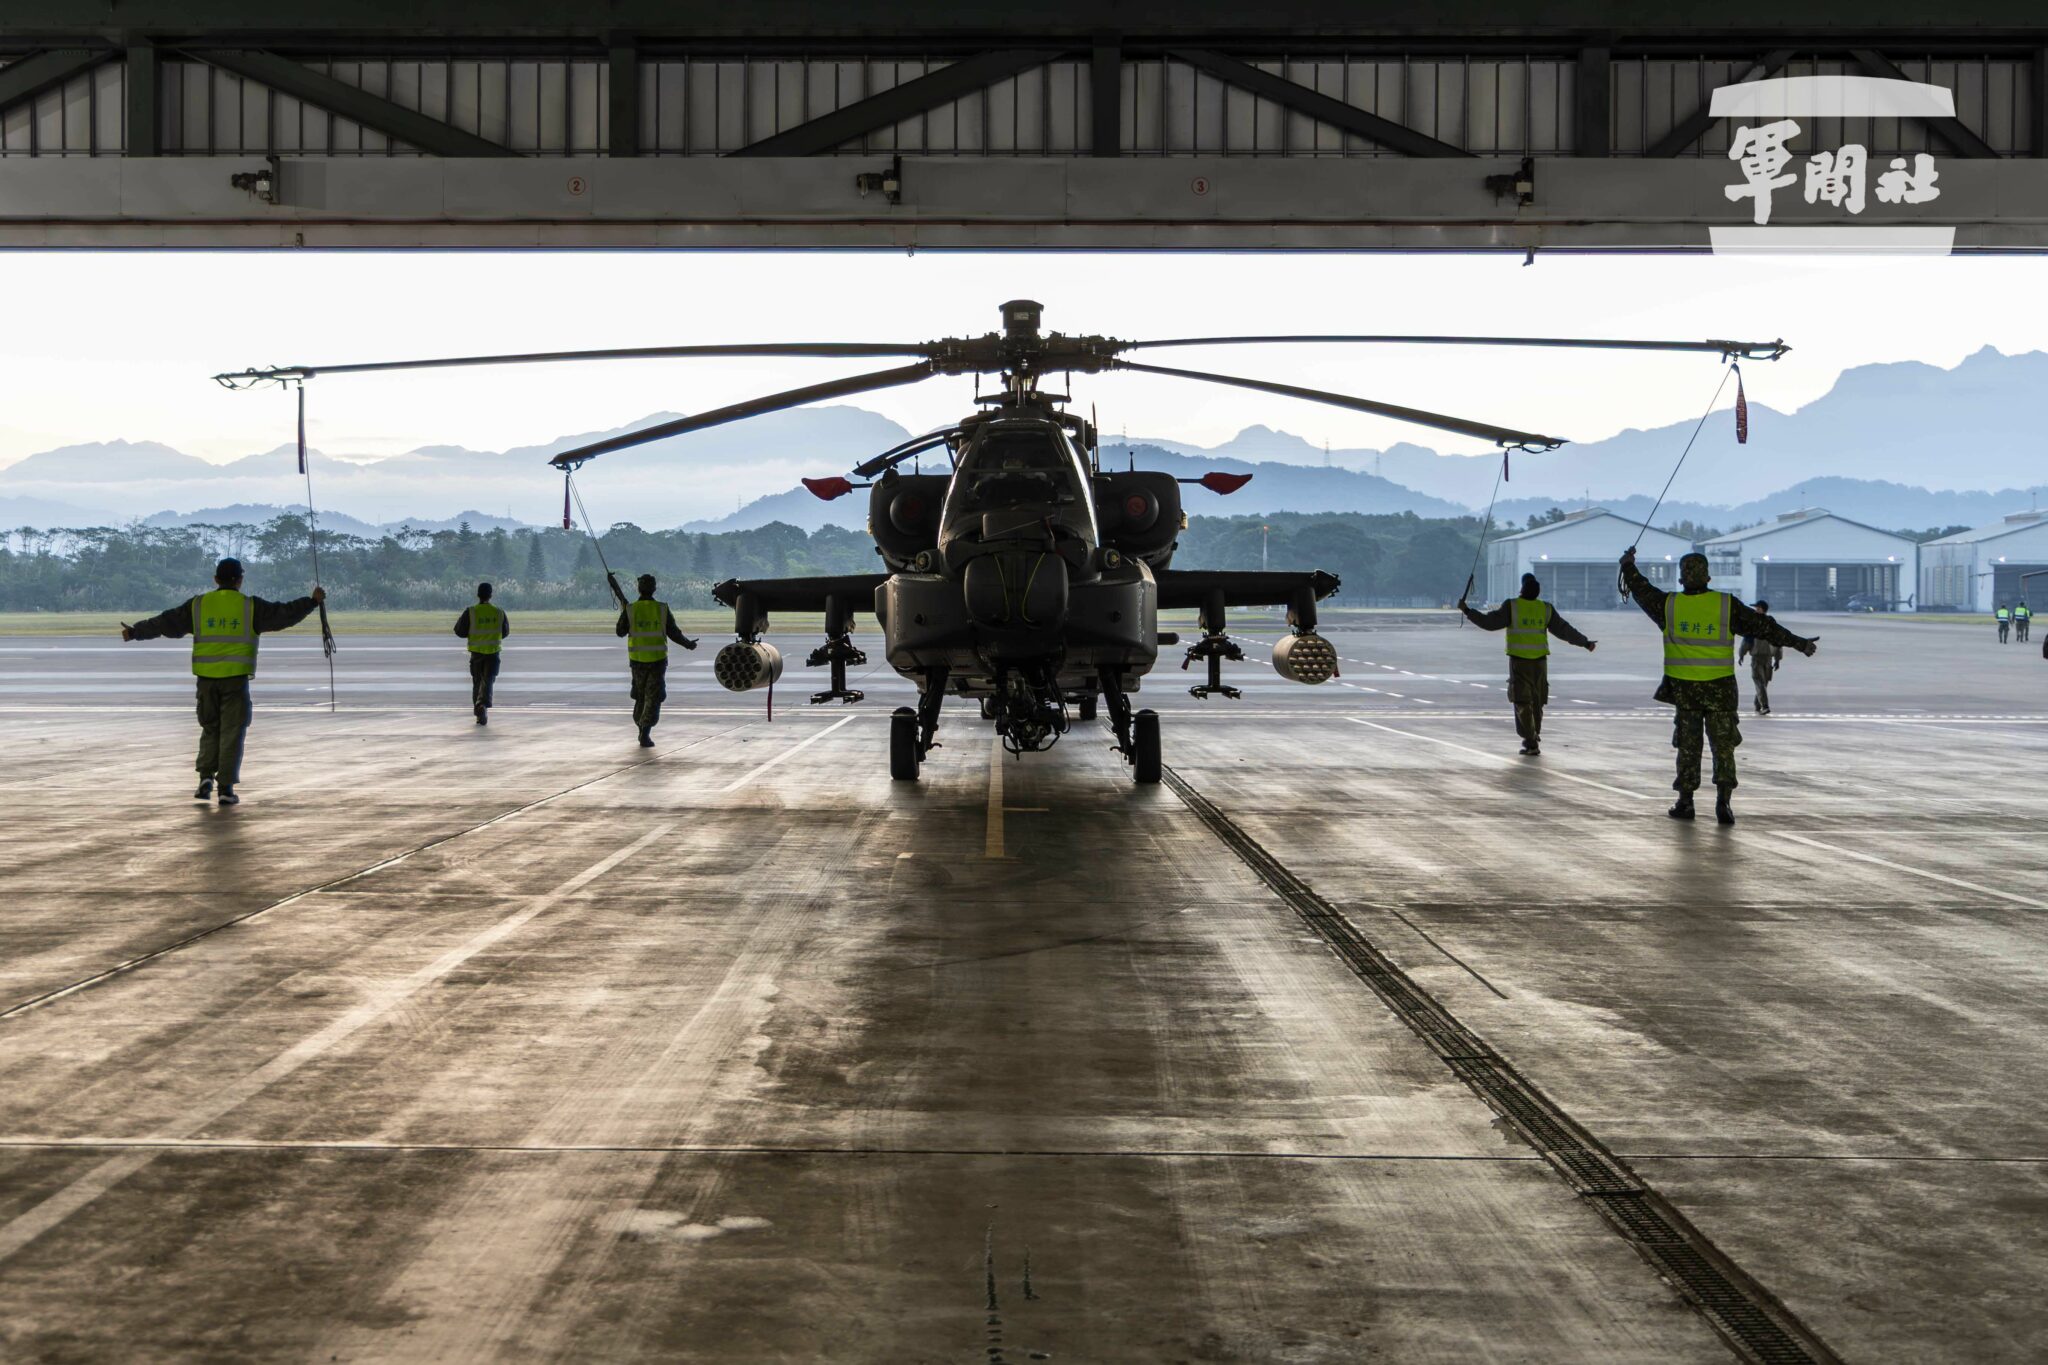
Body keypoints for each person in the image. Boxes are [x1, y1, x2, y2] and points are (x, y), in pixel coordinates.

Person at [1619, 548, 1816, 826]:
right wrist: (1799, 643)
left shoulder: (1668, 606)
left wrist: (1628, 565)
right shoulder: (1726, 605)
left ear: (1681, 579)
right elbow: (1765, 627)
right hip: (1721, 691)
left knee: (1688, 747)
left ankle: (1686, 802)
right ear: (1708, 578)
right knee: (1723, 747)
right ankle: (1723, 803)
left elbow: (1641, 590)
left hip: (1686, 691)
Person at [119, 557, 323, 805]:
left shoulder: (198, 605)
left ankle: (205, 778)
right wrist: (312, 602)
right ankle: (225, 788)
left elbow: (165, 622)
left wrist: (135, 632)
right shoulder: (250, 607)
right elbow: (284, 614)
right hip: (235, 680)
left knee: (210, 729)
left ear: (216, 579)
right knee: (232, 732)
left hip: (206, 681)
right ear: (240, 580)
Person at [1457, 572, 1596, 756]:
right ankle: (1534, 736)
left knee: (1522, 701)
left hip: (1519, 663)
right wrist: (1585, 642)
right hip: (1540, 664)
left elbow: (1489, 623)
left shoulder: (1512, 606)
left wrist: (1468, 611)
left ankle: (1530, 740)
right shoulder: (1545, 608)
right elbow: (1564, 630)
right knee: (1537, 703)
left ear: (1521, 588)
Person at [612, 572, 697, 746]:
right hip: (657, 662)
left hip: (637, 662)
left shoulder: (631, 609)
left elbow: (620, 632)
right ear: (654, 589)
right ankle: (645, 731)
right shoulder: (662, 609)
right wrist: (688, 644)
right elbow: (674, 633)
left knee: (641, 696)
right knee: (653, 697)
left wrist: (625, 613)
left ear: (639, 589)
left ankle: (641, 728)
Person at [454, 582, 509, 725]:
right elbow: (505, 632)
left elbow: (459, 630)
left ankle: (479, 711)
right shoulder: (499, 612)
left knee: (477, 682)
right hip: (493, 653)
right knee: (488, 681)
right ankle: (482, 705)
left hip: (477, 653)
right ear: (491, 595)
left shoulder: (471, 611)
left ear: (478, 595)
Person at [1737, 597, 1783, 716]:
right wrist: (1777, 659)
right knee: (1762, 682)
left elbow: (1747, 641)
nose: (1755, 610)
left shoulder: (1755, 624)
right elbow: (1778, 643)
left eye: (1757, 608)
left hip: (1762, 659)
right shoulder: (1771, 624)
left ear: (1763, 609)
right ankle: (1761, 705)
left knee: (1761, 683)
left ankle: (1761, 705)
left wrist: (1741, 654)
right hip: (1763, 659)